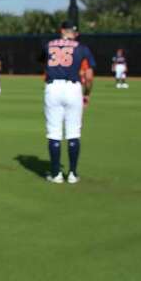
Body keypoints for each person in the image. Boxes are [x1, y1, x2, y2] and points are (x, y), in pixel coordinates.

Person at [42, 22, 94, 184]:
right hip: (73, 88)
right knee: (73, 132)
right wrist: (87, 94)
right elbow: (89, 75)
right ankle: (72, 174)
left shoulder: (48, 45)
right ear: (74, 33)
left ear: (61, 31)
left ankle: (56, 174)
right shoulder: (82, 48)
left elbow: (42, 61)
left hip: (53, 87)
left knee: (54, 133)